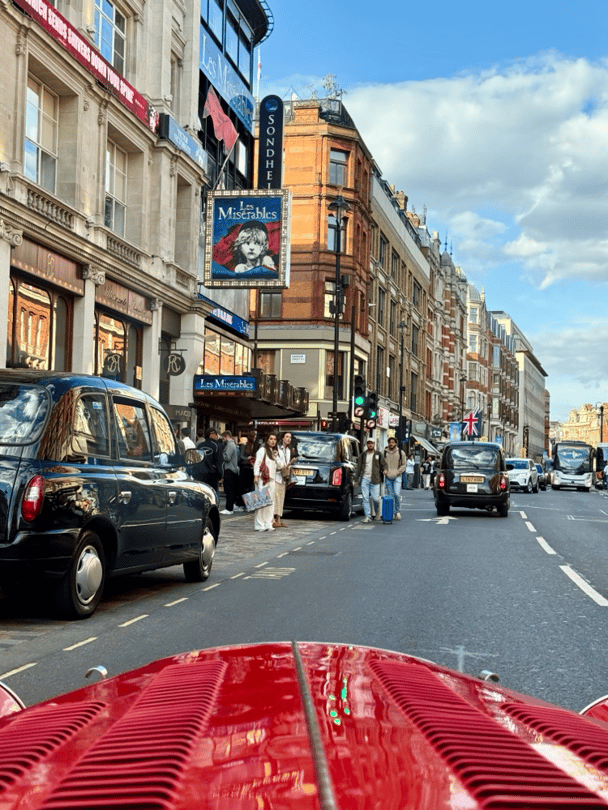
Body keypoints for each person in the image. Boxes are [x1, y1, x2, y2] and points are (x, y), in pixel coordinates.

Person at [253, 433, 283, 532]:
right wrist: (256, 476)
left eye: (274, 439)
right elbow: (257, 464)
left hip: (272, 480)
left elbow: (281, 466)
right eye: (271, 439)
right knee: (262, 503)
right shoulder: (262, 450)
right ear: (267, 440)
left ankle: (268, 523)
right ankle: (259, 524)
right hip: (263, 479)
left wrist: (276, 457)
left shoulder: (273, 452)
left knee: (271, 503)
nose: (273, 441)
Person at [356, 438, 386, 523]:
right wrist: (356, 479)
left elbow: (384, 464)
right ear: (366, 444)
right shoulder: (363, 455)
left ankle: (377, 512)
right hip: (365, 478)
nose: (370, 445)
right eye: (368, 443)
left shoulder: (378, 454)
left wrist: (385, 469)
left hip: (375, 479)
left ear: (374, 444)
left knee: (375, 498)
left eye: (372, 443)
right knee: (365, 498)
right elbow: (358, 468)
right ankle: (368, 516)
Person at [274, 431, 295, 528]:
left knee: (281, 499)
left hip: (284, 478)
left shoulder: (288, 450)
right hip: (277, 476)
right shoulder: (278, 448)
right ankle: (273, 520)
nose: (288, 439)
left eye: (290, 437)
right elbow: (278, 462)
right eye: (286, 437)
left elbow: (286, 463)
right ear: (282, 438)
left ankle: (279, 519)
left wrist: (290, 463)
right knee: (276, 498)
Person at [193, 427, 223, 492]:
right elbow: (219, 461)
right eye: (216, 434)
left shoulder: (200, 445)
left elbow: (195, 460)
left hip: (200, 474)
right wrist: (220, 475)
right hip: (212, 475)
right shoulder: (216, 446)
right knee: (212, 493)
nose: (216, 436)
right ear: (211, 434)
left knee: (201, 492)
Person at [383, 436, 406, 520]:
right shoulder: (384, 452)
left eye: (393, 442)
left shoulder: (401, 452)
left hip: (397, 476)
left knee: (396, 494)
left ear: (395, 443)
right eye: (390, 442)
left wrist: (398, 471)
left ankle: (397, 511)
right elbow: (382, 463)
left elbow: (404, 464)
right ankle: (392, 512)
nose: (391, 444)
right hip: (388, 476)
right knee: (390, 496)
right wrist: (384, 470)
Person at [220, 431, 240, 515]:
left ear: (227, 436)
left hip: (229, 469)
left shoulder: (230, 445)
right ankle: (230, 507)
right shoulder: (233, 444)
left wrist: (221, 454)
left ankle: (229, 508)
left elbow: (227, 457)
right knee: (231, 490)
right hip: (233, 469)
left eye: (223, 437)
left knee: (229, 490)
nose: (222, 439)